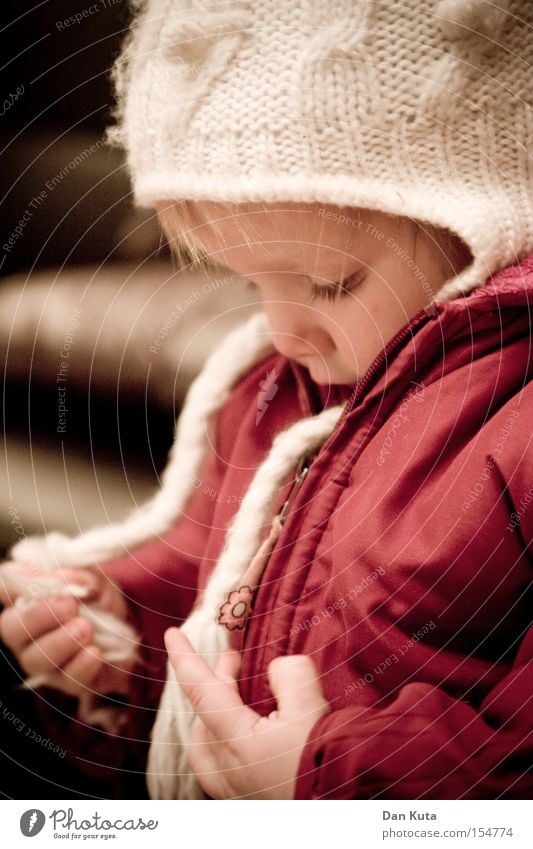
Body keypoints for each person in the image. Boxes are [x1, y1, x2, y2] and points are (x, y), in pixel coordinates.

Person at [1, 0, 533, 800]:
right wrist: (120, 650)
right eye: (249, 285)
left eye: (326, 283)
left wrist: (327, 782)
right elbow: (208, 580)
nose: (285, 334)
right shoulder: (273, 393)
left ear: (490, 223)